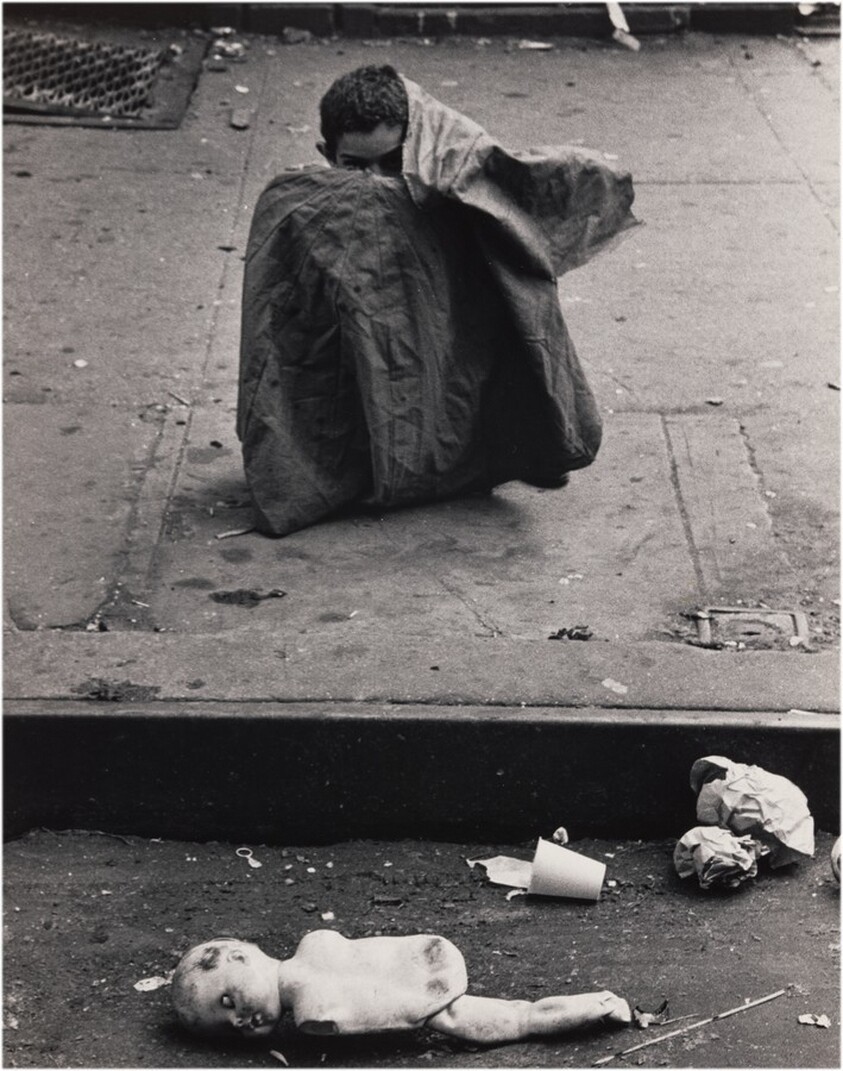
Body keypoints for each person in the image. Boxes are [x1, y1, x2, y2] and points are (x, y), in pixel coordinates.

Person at [237, 65, 636, 536]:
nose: (375, 181)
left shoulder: (448, 189)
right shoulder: (302, 209)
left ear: (413, 147)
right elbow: (278, 335)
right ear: (327, 155)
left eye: (389, 163)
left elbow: (514, 203)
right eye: (354, 167)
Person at [171, 932, 631, 1045]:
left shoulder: (312, 1015)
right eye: (228, 1026)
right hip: (428, 957)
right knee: (518, 1013)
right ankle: (599, 1005)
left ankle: (598, 1007)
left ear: (242, 957)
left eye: (228, 1000)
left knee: (519, 1019)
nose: (238, 1019)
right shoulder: (314, 942)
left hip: (425, 999)